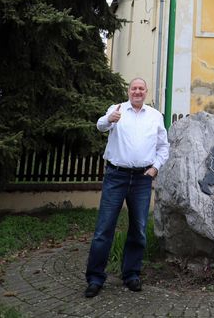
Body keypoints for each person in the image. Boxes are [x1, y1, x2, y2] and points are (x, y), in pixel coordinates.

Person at [84, 77, 169, 298]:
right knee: (104, 228)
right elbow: (100, 126)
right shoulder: (117, 109)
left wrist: (155, 168)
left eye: (141, 88)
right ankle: (95, 278)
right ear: (129, 91)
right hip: (116, 176)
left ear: (146, 92)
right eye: (134, 88)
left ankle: (131, 274)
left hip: (142, 179)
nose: (137, 92)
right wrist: (109, 119)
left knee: (138, 229)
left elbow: (163, 147)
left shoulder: (155, 116)